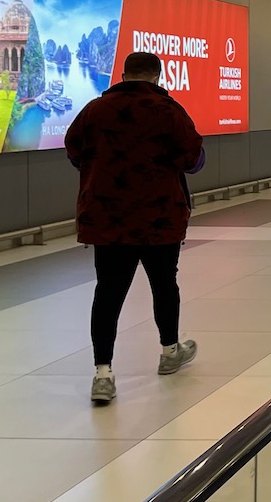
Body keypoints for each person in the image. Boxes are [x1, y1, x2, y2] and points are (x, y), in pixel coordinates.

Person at [65, 51, 205, 406]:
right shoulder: (169, 111)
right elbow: (193, 160)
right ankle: (169, 351)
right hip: (160, 216)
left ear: (124, 74)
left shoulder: (95, 110)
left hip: (107, 216)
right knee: (163, 283)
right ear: (158, 76)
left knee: (108, 292)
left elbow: (73, 150)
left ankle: (103, 374)